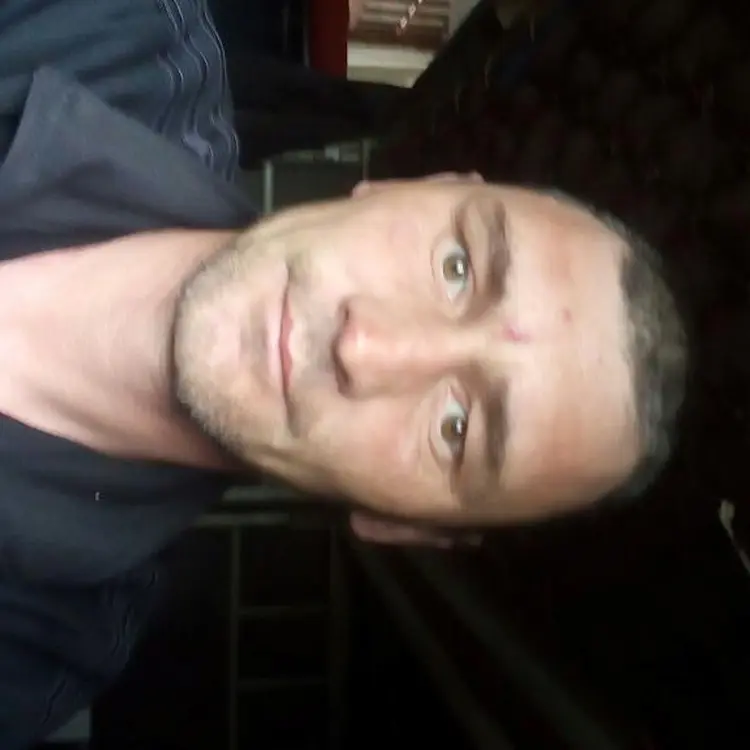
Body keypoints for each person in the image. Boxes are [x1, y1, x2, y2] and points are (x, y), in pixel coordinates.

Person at [0, 0, 686, 747]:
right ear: (412, 188)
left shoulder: (30, 663)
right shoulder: (102, 20)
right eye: (457, 268)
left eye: (457, 429)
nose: (367, 349)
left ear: (401, 525)